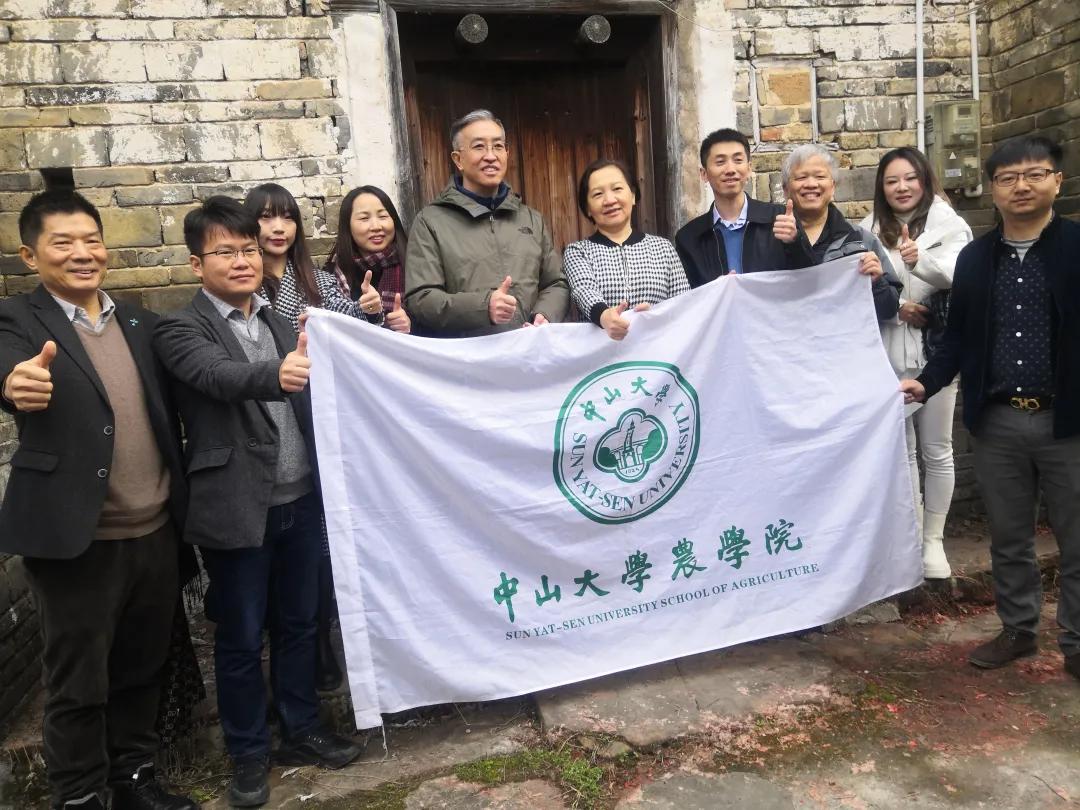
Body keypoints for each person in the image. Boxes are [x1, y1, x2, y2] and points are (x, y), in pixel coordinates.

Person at [153, 197, 363, 808]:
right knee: (242, 638)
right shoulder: (179, 328)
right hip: (238, 508)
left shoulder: (277, 319)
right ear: (197, 264)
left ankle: (301, 729)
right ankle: (248, 755)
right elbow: (216, 377)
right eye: (225, 252)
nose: (242, 261)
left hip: (301, 501)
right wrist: (277, 373)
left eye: (248, 249)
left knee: (300, 625)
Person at [0, 190, 196, 810]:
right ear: (30, 256)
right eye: (63, 243)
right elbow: (7, 370)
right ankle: (80, 796)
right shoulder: (17, 320)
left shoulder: (139, 322)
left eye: (92, 239)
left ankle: (133, 780)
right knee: (78, 684)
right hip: (79, 539)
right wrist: (13, 383)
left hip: (156, 530)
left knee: (141, 668)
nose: (83, 253)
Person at [900, 135, 1079, 677]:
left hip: (1067, 421)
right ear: (994, 189)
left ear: (1056, 182)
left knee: (1076, 539)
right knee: (1009, 536)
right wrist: (926, 383)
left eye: (1034, 174)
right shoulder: (977, 259)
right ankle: (1018, 629)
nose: (1021, 186)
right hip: (998, 420)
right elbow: (957, 337)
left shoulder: (1075, 247)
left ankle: (1075, 643)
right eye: (1007, 178)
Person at [863, 147, 973, 579]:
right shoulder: (868, 230)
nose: (902, 187)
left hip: (936, 351)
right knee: (903, 451)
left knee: (937, 448)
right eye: (892, 181)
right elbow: (862, 290)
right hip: (888, 351)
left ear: (924, 180)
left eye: (909, 178)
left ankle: (934, 541)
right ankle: (911, 537)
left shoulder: (950, 224)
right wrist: (896, 308)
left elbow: (960, 277)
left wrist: (919, 262)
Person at [404, 108, 569, 336]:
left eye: (498, 146)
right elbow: (421, 299)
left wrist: (545, 314)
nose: (491, 156)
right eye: (479, 146)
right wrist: (484, 307)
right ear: (458, 159)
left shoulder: (531, 219)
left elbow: (555, 283)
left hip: (530, 349)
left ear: (507, 154)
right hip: (468, 354)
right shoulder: (430, 222)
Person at [563, 158, 690, 340]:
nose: (609, 200)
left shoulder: (663, 248)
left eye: (617, 189)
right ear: (588, 208)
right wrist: (604, 316)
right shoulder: (578, 252)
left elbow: (683, 305)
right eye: (598, 194)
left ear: (633, 195)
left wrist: (655, 316)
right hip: (603, 355)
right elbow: (584, 291)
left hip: (657, 351)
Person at [675, 127, 817, 286]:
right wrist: (716, 290)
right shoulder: (689, 238)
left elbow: (810, 281)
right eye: (720, 162)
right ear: (704, 174)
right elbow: (688, 295)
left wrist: (795, 242)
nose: (730, 170)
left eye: (738, 160)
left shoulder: (779, 219)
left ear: (749, 168)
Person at [781, 144, 901, 321]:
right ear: (786, 190)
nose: (811, 184)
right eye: (801, 177)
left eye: (820, 176)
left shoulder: (859, 240)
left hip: (843, 337)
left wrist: (877, 282)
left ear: (833, 187)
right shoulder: (767, 239)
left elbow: (889, 309)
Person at [322, 185, 411, 333]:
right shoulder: (332, 276)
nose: (376, 226)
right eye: (364, 218)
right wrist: (363, 311)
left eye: (383, 216)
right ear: (348, 226)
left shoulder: (414, 264)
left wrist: (409, 323)